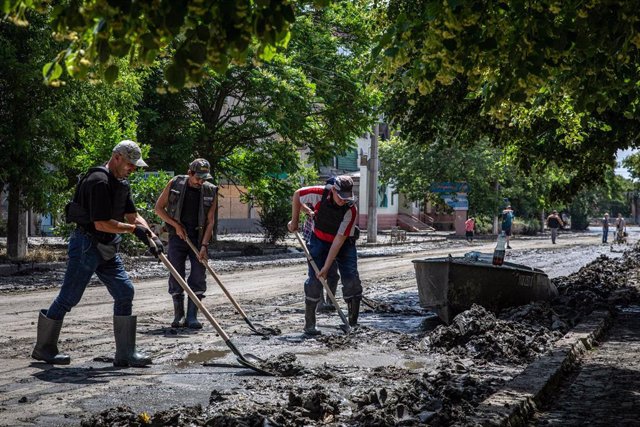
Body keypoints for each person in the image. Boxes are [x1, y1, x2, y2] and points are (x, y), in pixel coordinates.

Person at [32, 140, 164, 367]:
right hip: (86, 245)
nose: (133, 168)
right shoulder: (98, 181)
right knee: (68, 298)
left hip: (107, 246)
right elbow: (102, 223)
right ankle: (44, 348)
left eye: (135, 165)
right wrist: (134, 230)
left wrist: (152, 236)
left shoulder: (121, 184)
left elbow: (133, 216)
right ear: (117, 157)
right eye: (130, 164)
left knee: (125, 291)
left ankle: (125, 354)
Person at [287, 175, 361, 335]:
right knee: (315, 280)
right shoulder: (319, 193)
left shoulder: (351, 210)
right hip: (319, 240)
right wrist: (295, 221)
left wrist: (327, 267)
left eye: (346, 198)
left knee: (352, 280)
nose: (343, 201)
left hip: (344, 244)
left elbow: (338, 241)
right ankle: (310, 326)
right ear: (333, 190)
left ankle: (352, 323)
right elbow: (297, 194)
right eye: (340, 197)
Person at [155, 158, 217, 329]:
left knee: (198, 274)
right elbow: (158, 209)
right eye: (198, 178)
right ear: (190, 173)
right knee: (176, 273)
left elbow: (210, 221)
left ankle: (192, 316)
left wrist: (204, 245)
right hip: (177, 237)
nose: (201, 181)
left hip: (198, 238)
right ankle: (179, 315)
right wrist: (176, 226)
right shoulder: (175, 183)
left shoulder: (211, 191)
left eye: (204, 178)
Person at [301, 202, 340, 313]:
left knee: (333, 274)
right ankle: (319, 302)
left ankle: (330, 301)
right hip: (313, 238)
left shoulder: (336, 198)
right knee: (316, 273)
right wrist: (310, 212)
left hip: (331, 239)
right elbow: (300, 202)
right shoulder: (313, 194)